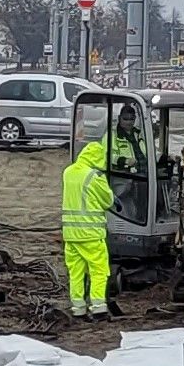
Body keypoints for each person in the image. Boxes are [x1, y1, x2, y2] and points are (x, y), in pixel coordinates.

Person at [60, 136, 114, 317]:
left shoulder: (68, 172)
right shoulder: (95, 176)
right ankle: (98, 308)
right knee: (99, 271)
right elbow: (108, 201)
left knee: (76, 272)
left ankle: (78, 308)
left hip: (70, 234)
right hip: (91, 234)